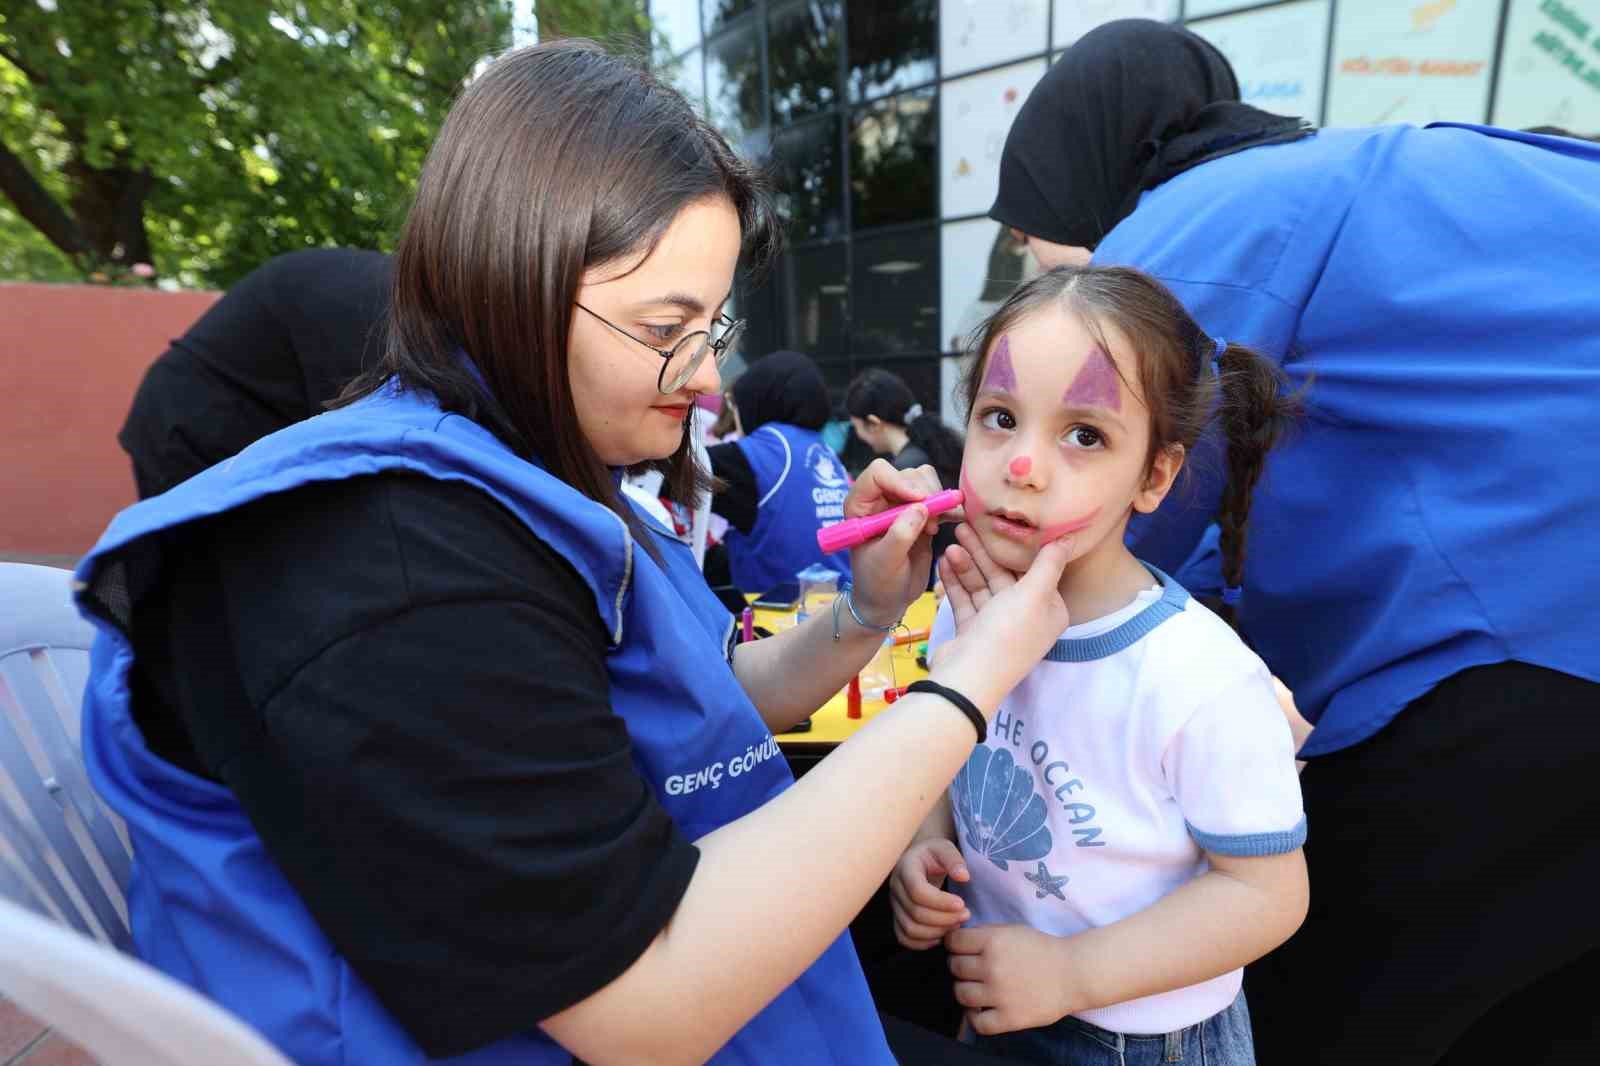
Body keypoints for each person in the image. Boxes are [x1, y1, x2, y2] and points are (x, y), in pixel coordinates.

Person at [70, 40, 1077, 1066]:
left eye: (712, 324)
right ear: (515, 286)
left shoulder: (543, 472)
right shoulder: (396, 574)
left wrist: (864, 613)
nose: (709, 384)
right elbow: (647, 1010)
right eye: (664, 327)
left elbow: (704, 708)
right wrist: (971, 679)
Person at [992, 18, 1600, 1065]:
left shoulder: (1199, 216)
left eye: (1029, 238)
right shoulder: (1393, 173)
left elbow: (1076, 535)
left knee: (1336, 1010)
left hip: (1511, 666)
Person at [889, 265, 1307, 1065]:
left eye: (1085, 435)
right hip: (998, 999)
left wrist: (1072, 973)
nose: (1022, 465)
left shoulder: (1196, 676)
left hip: (1146, 1040)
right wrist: (922, 842)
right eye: (1000, 417)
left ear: (1155, 475)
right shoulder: (965, 608)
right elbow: (945, 753)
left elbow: (1269, 894)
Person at [118, 247, 392, 498]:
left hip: (233, 423)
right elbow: (364, 438)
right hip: (190, 422)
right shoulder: (382, 314)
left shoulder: (386, 297)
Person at [705, 349, 854, 592]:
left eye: (735, 405)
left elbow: (666, 471)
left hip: (783, 617)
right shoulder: (822, 450)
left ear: (754, 402)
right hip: (845, 606)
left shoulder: (762, 454)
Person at [846, 367, 965, 580]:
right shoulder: (931, 451)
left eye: (856, 427)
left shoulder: (903, 471)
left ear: (873, 423)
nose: (857, 435)